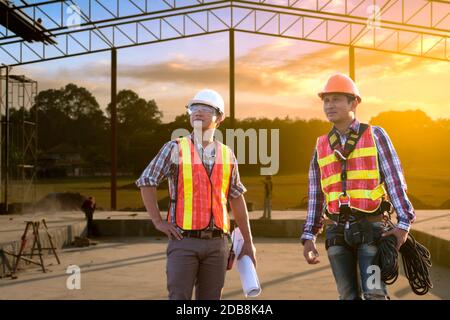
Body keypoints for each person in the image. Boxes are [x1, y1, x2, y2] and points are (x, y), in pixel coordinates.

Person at [300, 73, 416, 300]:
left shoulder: (376, 135)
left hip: (371, 232)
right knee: (346, 296)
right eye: (326, 100)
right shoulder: (321, 145)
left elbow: (395, 180)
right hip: (337, 234)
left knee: (374, 293)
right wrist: (309, 236)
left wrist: (404, 224)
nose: (329, 105)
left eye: (336, 99)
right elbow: (316, 195)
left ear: (353, 102)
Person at [136, 89, 257, 300]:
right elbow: (147, 180)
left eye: (206, 109)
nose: (198, 112)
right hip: (184, 241)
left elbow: (236, 198)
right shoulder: (174, 148)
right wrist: (157, 221)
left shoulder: (227, 154)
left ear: (219, 117)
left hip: (218, 244)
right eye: (194, 108)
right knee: (179, 298)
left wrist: (248, 242)